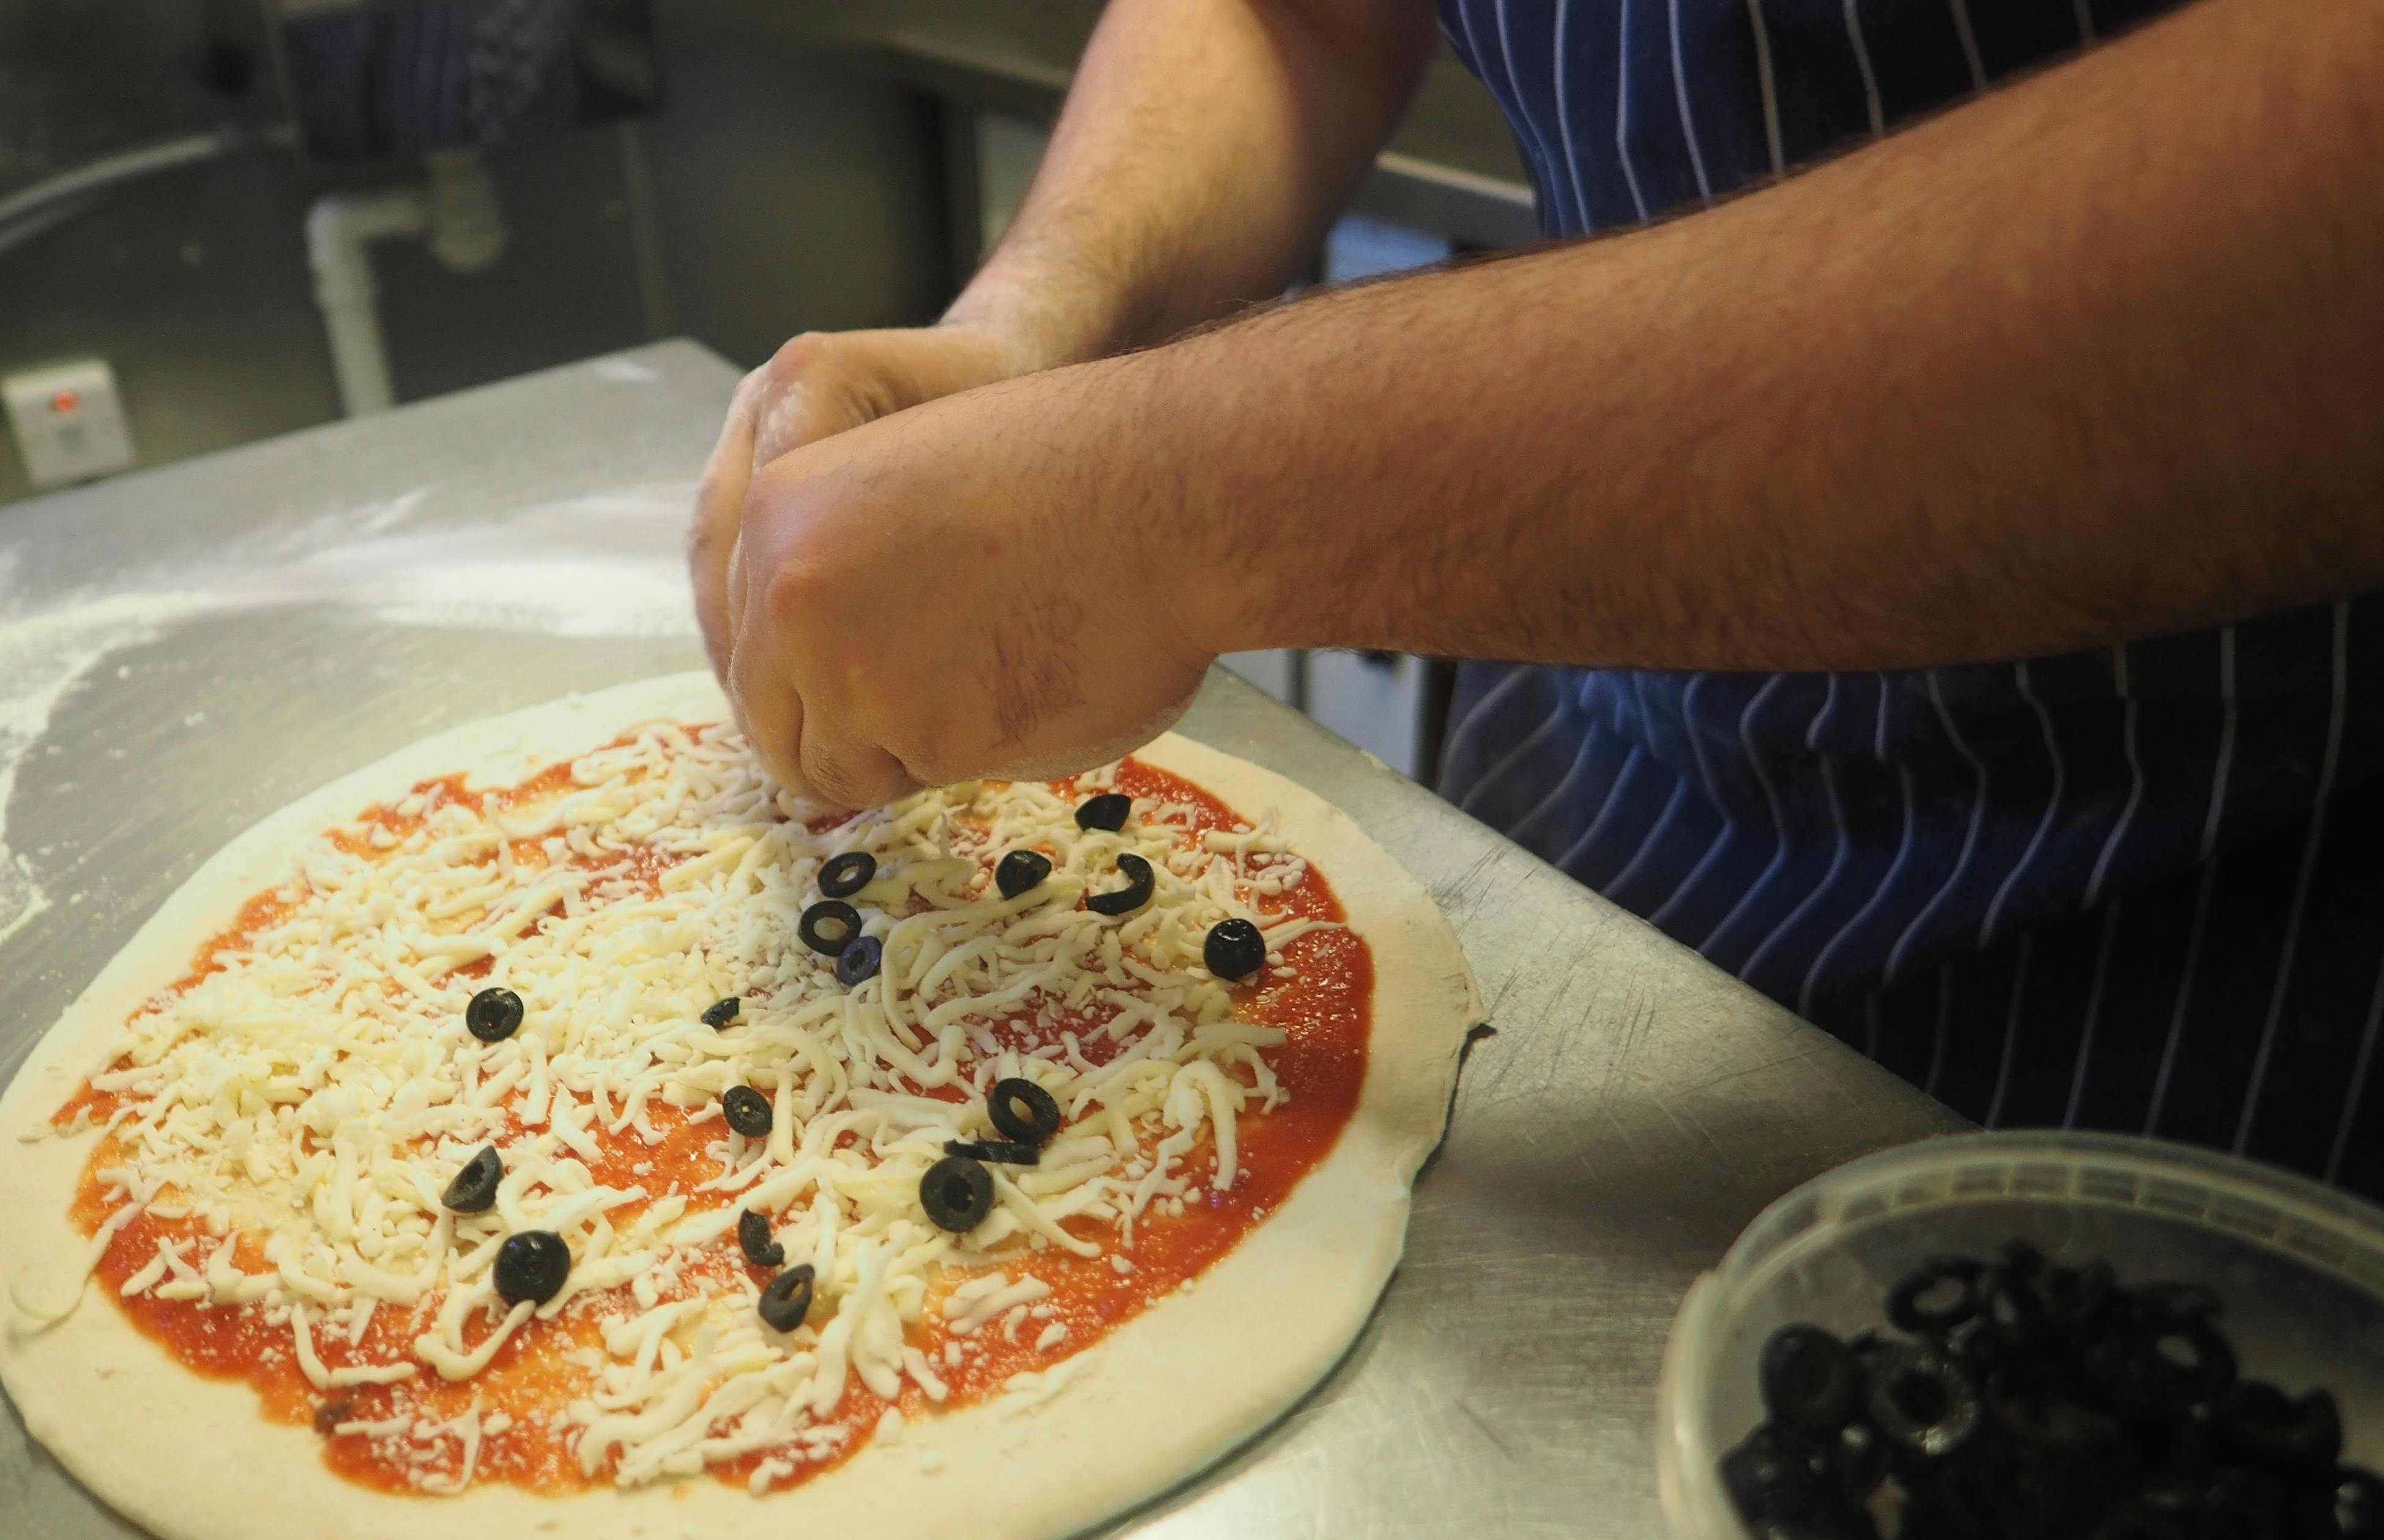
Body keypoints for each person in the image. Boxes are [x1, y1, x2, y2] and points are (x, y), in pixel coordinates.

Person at [683, 0, 2384, 1196]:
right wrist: (1030, 330)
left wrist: (1183, 490)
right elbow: (1305, 14)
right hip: (1582, 802)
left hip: (2198, 969)